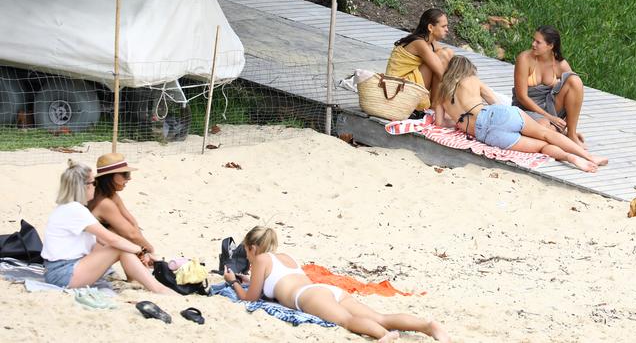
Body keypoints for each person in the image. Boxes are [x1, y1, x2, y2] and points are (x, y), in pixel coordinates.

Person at [223, 226, 450, 343]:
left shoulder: (261, 259)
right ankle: (429, 326)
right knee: (379, 315)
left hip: (307, 296)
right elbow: (274, 281)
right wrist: (248, 279)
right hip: (327, 291)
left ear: (252, 248)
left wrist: (233, 282)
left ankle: (384, 335)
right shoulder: (286, 257)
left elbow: (250, 298)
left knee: (348, 321)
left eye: (247, 251)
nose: (248, 259)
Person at [434, 56, 607, 172]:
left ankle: (572, 159)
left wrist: (456, 122)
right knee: (546, 134)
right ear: (467, 70)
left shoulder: (441, 95)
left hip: (486, 135)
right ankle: (588, 156)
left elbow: (440, 124)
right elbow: (495, 103)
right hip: (495, 115)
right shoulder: (473, 80)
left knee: (541, 146)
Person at [41, 159, 176, 294]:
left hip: (62, 269)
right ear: (83, 186)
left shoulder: (70, 207)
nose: (95, 186)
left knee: (120, 244)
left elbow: (115, 233)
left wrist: (141, 252)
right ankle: (158, 288)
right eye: (94, 183)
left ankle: (142, 279)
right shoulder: (75, 209)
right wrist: (141, 251)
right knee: (118, 247)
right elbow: (114, 240)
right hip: (62, 274)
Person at [512, 25, 586, 147]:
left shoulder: (560, 64)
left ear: (550, 46)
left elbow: (574, 94)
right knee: (545, 128)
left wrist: (566, 124)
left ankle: (571, 135)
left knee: (575, 81)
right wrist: (550, 118)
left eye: (538, 42)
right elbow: (522, 97)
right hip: (526, 108)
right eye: (533, 40)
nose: (533, 44)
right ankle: (558, 132)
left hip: (550, 105)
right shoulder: (524, 59)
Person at [87, 153, 155, 260]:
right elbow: (130, 234)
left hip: (92, 248)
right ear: (110, 177)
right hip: (84, 257)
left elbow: (132, 222)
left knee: (126, 233)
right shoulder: (104, 202)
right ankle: (135, 274)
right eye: (125, 174)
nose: (130, 178)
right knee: (122, 236)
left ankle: (135, 274)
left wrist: (144, 247)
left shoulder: (108, 193)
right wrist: (150, 250)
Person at [386, 8, 454, 115]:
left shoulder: (431, 43)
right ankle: (435, 107)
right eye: (443, 26)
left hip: (410, 86)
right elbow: (441, 74)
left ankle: (438, 104)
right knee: (440, 58)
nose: (447, 29)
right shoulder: (419, 43)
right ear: (430, 27)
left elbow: (449, 63)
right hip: (399, 90)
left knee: (447, 52)